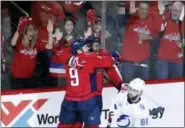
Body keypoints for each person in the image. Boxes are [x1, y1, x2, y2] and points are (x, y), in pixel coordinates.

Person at [58, 39, 115, 128]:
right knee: (92, 126)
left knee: (65, 125)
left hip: (69, 99)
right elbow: (109, 62)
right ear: (79, 50)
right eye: (84, 47)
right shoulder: (89, 59)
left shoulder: (66, 58)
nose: (87, 48)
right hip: (86, 100)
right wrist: (109, 56)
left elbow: (62, 53)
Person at [10, 17, 54, 89]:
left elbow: (49, 46)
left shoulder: (36, 43)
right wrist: (18, 29)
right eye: (30, 30)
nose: (32, 33)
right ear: (25, 31)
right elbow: (12, 43)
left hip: (30, 78)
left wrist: (50, 32)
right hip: (17, 79)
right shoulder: (20, 41)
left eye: (33, 31)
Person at [121, 1, 155, 83]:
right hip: (129, 62)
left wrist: (149, 37)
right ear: (138, 9)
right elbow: (122, 22)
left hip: (144, 61)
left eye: (146, 9)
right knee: (127, 87)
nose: (143, 11)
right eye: (142, 9)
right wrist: (129, 14)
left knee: (143, 87)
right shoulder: (131, 20)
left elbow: (156, 38)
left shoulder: (151, 21)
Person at [155, 1, 184, 79]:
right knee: (162, 83)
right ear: (171, 9)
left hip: (178, 59)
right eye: (174, 10)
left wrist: (183, 44)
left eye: (177, 11)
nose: (175, 13)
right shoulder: (165, 18)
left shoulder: (183, 22)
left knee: (177, 83)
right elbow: (156, 30)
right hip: (163, 57)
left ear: (181, 12)